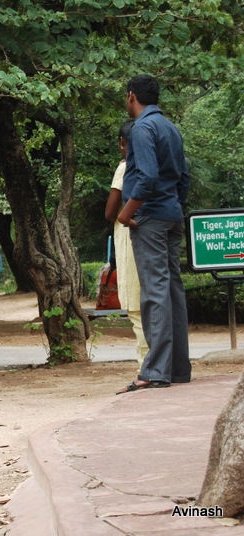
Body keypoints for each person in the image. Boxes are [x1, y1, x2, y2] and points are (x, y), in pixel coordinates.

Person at [116, 74, 190, 393]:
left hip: (151, 218)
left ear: (132, 96)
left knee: (154, 291)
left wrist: (126, 213)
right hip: (172, 215)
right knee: (173, 289)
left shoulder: (142, 129)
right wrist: (174, 206)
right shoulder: (170, 128)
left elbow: (145, 178)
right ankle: (178, 367)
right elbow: (184, 178)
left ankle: (156, 370)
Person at [105, 120, 149, 370]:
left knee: (136, 309)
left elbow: (111, 212)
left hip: (130, 243)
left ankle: (147, 366)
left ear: (122, 144)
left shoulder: (125, 168)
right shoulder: (154, 166)